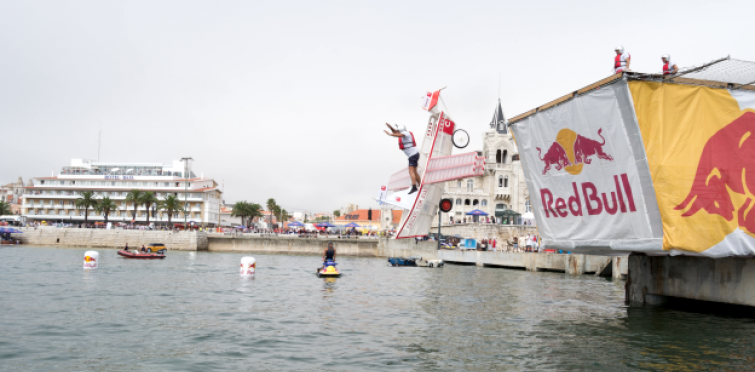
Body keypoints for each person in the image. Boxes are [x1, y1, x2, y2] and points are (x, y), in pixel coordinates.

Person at [384, 123, 421, 194]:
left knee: (411, 171)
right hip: (414, 154)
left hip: (412, 154)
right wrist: (391, 127)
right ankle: (420, 185)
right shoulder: (403, 132)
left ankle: (414, 187)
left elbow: (398, 134)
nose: (397, 132)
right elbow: (396, 132)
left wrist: (390, 134)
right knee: (415, 172)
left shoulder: (405, 133)